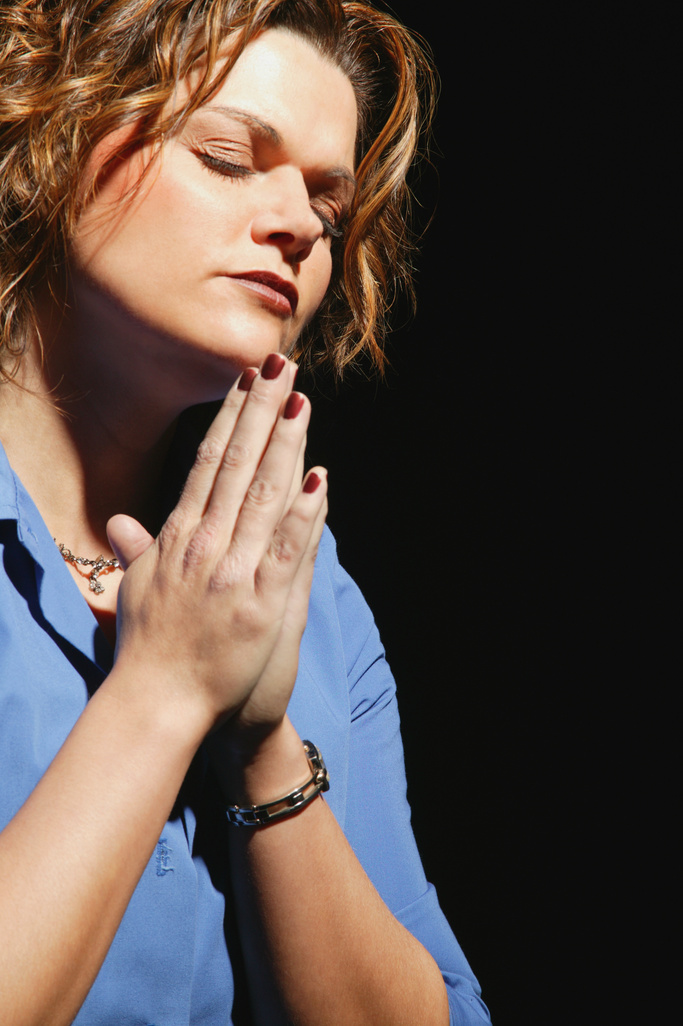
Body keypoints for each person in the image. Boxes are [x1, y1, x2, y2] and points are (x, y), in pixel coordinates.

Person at [0, 1, 491, 1023]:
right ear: (44, 136)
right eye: (227, 155)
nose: (300, 225)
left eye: (329, 204)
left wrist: (262, 745)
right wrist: (167, 688)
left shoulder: (313, 599)